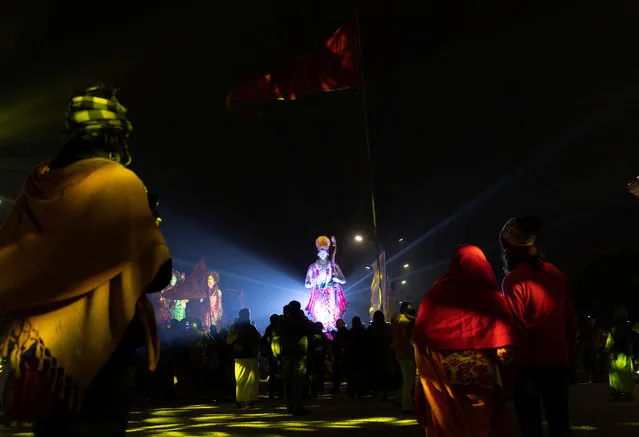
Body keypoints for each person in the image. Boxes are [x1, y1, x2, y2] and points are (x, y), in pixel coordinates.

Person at [0, 84, 172, 435]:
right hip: (103, 354)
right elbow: (158, 273)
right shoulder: (118, 183)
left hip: (42, 353)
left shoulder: (38, 186)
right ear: (113, 135)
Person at [412, 245, 514, 437]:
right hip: (479, 377)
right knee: (478, 424)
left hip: (442, 376)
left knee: (447, 422)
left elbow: (420, 338)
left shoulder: (436, 293)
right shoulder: (491, 296)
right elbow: (505, 350)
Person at [500, 216, 578, 437]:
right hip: (558, 361)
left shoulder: (513, 280)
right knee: (560, 423)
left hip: (528, 365)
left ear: (508, 250)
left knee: (530, 425)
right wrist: (567, 356)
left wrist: (508, 371)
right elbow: (571, 322)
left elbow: (515, 329)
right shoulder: (558, 275)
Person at [304, 235, 348, 331]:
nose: (322, 254)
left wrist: (337, 280)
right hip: (319, 292)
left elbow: (344, 280)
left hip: (331, 291)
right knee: (320, 313)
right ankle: (322, 328)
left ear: (328, 254)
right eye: (321, 252)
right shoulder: (313, 267)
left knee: (333, 312)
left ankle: (333, 327)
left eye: (324, 252)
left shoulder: (333, 265)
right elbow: (306, 284)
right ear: (318, 254)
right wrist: (311, 283)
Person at [226, 308, 261, 408]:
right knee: (245, 380)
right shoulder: (244, 327)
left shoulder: (247, 327)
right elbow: (229, 341)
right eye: (247, 315)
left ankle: (245, 400)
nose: (248, 316)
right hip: (244, 357)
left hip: (244, 357)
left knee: (246, 380)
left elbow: (228, 341)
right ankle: (244, 400)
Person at [605, 307, 638, 400]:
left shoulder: (613, 329)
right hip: (625, 354)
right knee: (626, 373)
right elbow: (632, 341)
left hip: (615, 354)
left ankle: (617, 391)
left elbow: (609, 343)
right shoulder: (628, 329)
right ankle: (626, 392)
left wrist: (608, 352)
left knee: (615, 373)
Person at [391, 301, 416, 412]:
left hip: (399, 353)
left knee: (406, 378)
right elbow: (410, 339)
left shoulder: (395, 321)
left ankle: (399, 397)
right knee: (409, 380)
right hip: (408, 353)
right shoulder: (408, 322)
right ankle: (406, 405)